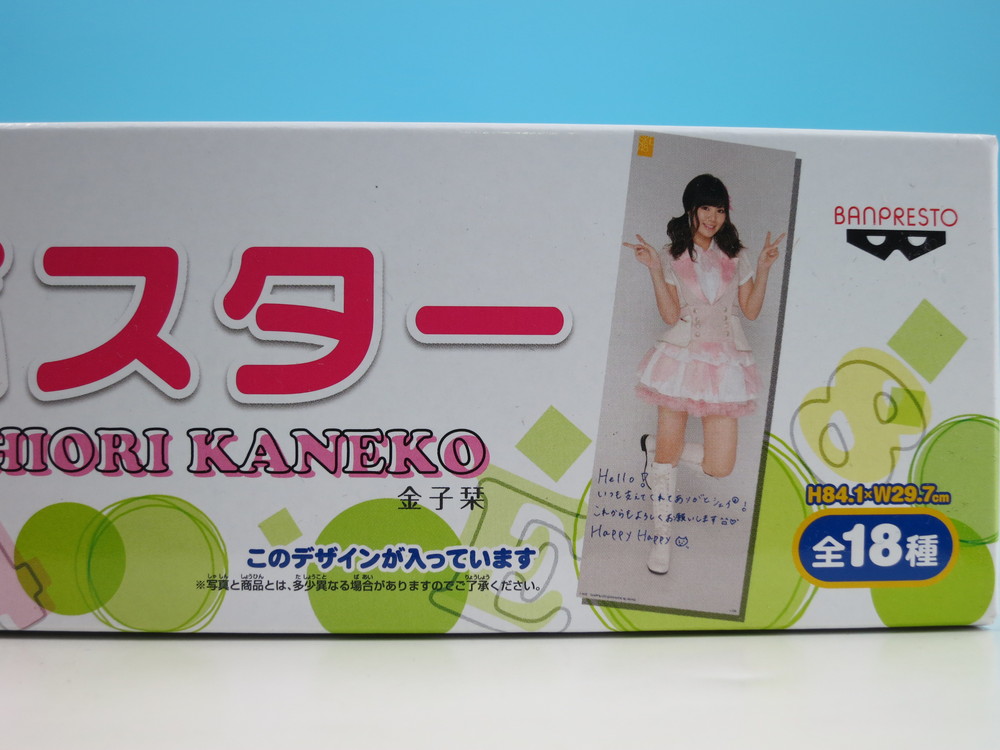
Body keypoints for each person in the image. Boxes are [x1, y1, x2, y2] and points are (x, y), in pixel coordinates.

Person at [624, 174, 783, 574]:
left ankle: (654, 447)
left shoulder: (737, 254)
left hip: (725, 362)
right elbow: (669, 315)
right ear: (691, 209)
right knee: (668, 457)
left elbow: (750, 311)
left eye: (720, 209)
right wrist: (653, 269)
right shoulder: (671, 254)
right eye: (705, 208)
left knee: (720, 465)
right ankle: (661, 541)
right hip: (680, 358)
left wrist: (764, 268)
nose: (713, 217)